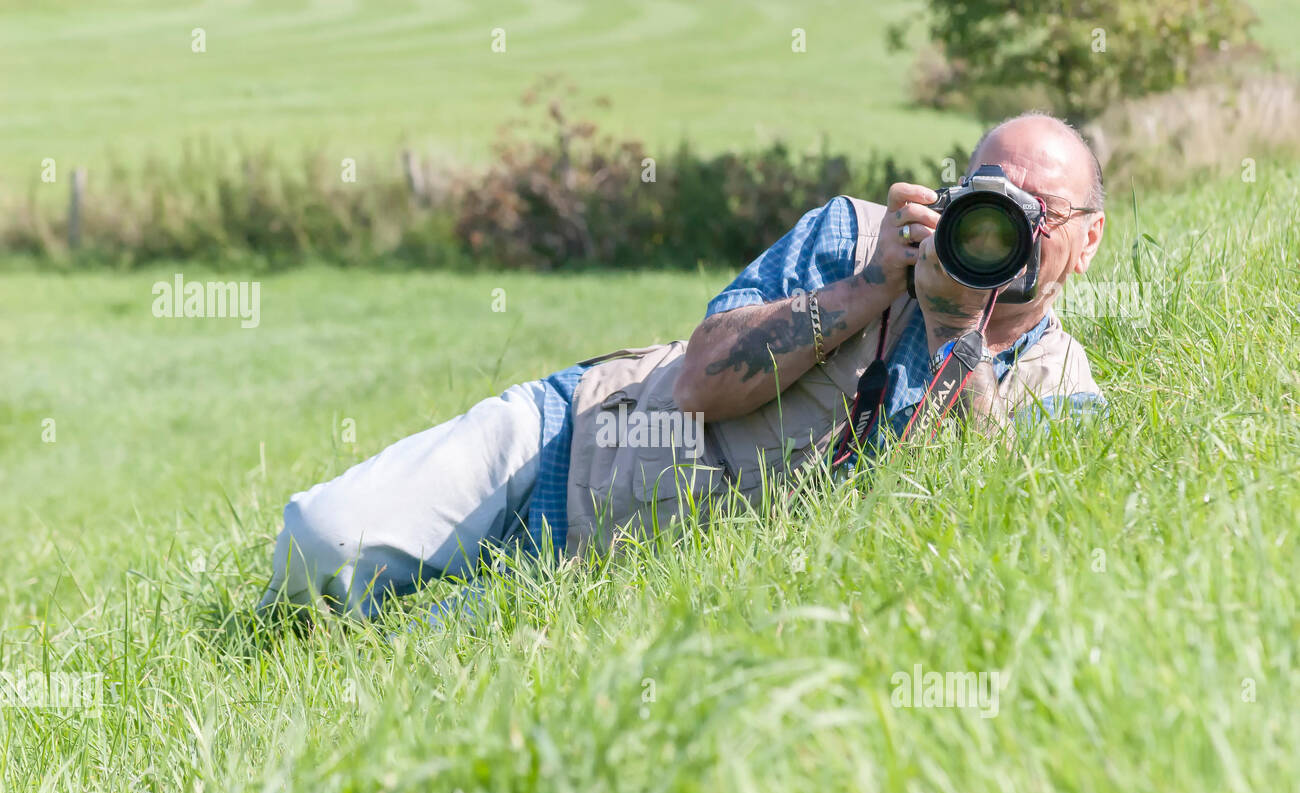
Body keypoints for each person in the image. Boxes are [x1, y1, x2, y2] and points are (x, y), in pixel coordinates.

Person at [259, 112, 1107, 619]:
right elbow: (703, 381)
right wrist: (870, 287)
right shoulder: (855, 236)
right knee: (317, 542)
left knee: (398, 660)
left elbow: (993, 546)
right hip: (578, 440)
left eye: (1043, 212)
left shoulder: (1065, 396)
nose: (1006, 227)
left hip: (623, 586)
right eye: (989, 195)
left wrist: (960, 330)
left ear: (1089, 239)